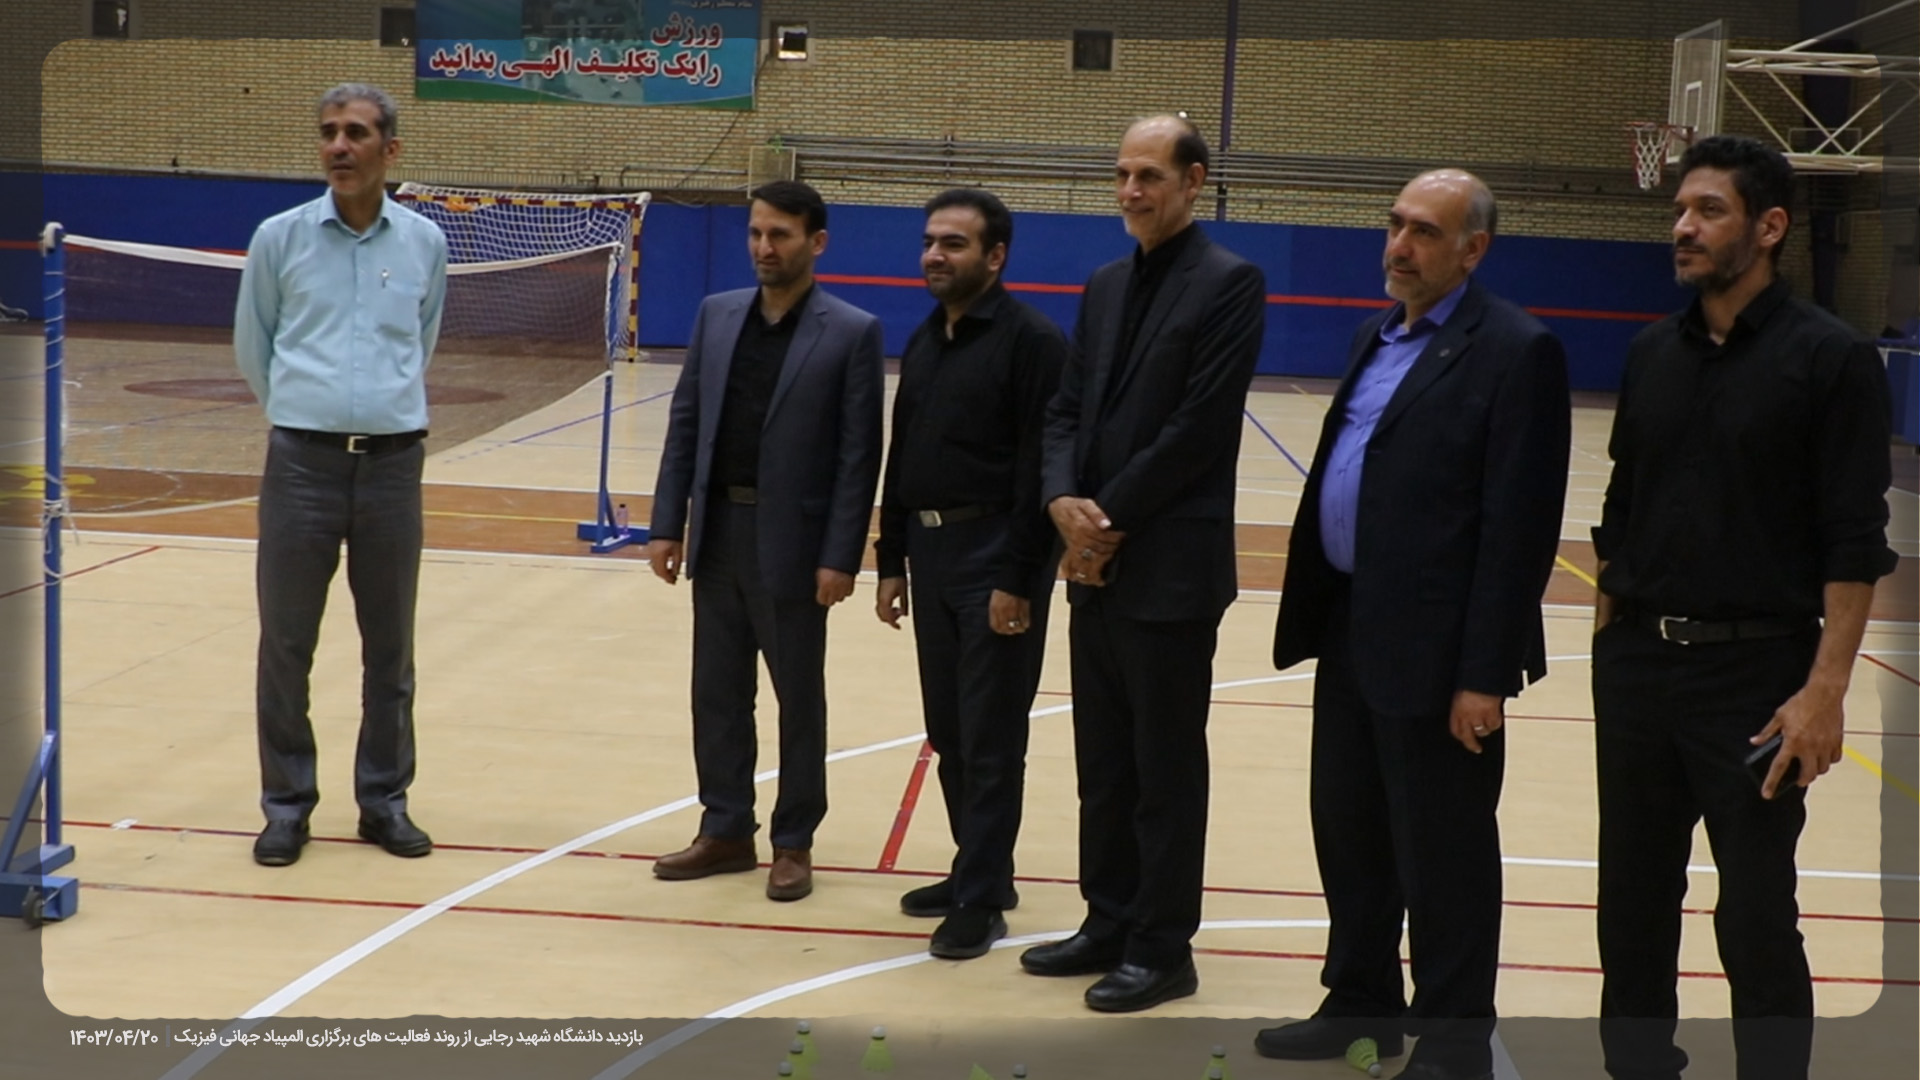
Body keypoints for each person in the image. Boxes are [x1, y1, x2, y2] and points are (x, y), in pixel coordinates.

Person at [1590, 135, 1896, 1080]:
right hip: (1639, 671)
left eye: (1708, 210)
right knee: (1632, 904)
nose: (1683, 227)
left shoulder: (1833, 359)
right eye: (1680, 210)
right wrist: (1610, 645)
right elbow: (1622, 512)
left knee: (1757, 913)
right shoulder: (1651, 353)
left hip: (1757, 679)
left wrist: (1824, 692)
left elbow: (1855, 541)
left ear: (1768, 228)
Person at [1261, 169, 1571, 1080]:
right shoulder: (1376, 335)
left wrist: (1485, 674)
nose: (1400, 246)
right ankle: (1360, 1001)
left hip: (1442, 654)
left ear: (1473, 250)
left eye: (1425, 232)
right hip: (1353, 625)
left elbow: (1519, 530)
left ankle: (1454, 1041)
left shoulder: (1516, 350)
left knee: (1445, 854)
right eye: (1395, 225)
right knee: (1349, 830)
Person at [1021, 114, 1265, 1012]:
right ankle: (1108, 920)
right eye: (1123, 174)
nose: (1131, 191)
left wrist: (1101, 522)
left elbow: (1199, 428)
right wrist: (1060, 500)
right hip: (1094, 565)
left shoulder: (1230, 283)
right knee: (1105, 764)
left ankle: (1163, 947)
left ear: (1193, 182)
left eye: (1150, 176)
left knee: (1164, 770)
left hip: (1168, 569)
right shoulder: (1105, 284)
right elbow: (1064, 411)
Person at [645, 180, 884, 903]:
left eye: (780, 234)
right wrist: (667, 523)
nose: (763, 246)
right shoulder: (717, 316)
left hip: (796, 546)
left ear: (816, 242)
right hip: (718, 531)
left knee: (797, 700)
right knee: (716, 695)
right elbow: (686, 423)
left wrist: (840, 555)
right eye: (755, 232)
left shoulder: (851, 332)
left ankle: (793, 840)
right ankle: (725, 828)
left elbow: (858, 456)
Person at [234, 83, 447, 868]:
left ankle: (383, 802)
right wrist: (308, 414)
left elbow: (420, 342)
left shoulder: (424, 242)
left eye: (356, 133)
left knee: (390, 651)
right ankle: (287, 807)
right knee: (286, 646)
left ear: (390, 150)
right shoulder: (278, 239)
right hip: (301, 466)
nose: (338, 146)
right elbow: (254, 346)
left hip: (393, 468)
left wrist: (376, 412)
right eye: (328, 132)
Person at [873, 187, 1066, 959]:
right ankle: (979, 869)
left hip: (996, 557)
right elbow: (904, 451)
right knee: (950, 730)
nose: (934, 255)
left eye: (953, 243)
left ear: (996, 256)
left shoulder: (1033, 342)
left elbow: (1041, 469)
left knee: (991, 736)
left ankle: (981, 900)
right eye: (929, 241)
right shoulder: (927, 338)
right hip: (931, 554)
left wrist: (1019, 576)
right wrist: (891, 558)